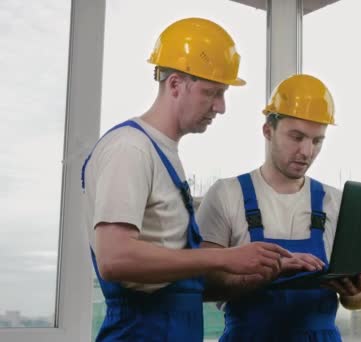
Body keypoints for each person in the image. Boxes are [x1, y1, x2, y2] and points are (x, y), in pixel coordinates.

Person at [81, 18, 290, 342]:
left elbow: (182, 282)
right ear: (175, 84)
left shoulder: (166, 155)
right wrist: (225, 256)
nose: (220, 107)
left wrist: (267, 270)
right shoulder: (130, 149)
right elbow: (115, 258)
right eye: (213, 93)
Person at [196, 74, 361, 341]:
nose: (306, 151)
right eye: (296, 137)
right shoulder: (227, 195)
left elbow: (359, 301)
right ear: (268, 131)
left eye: (317, 140)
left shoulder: (336, 202)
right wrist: (265, 273)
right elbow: (201, 286)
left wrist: (355, 291)